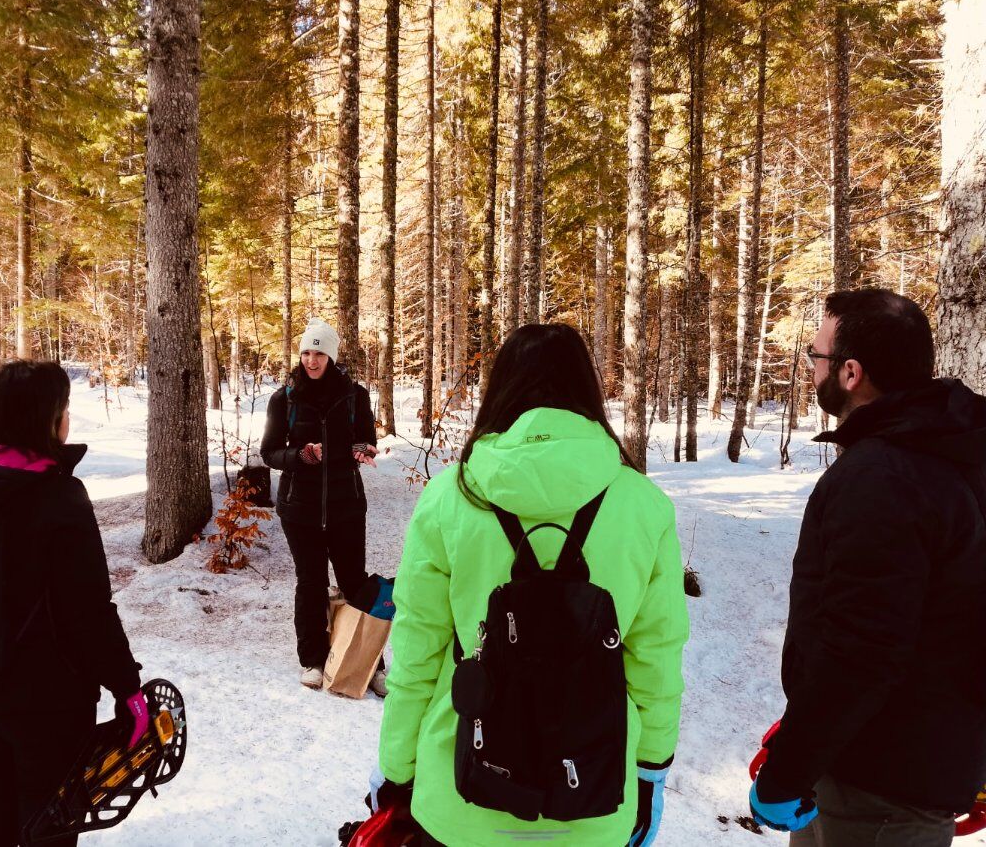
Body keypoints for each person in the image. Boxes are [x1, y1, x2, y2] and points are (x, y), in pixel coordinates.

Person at [373, 323, 689, 846]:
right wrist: (651, 769)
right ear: (588, 390)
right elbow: (656, 656)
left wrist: (396, 767)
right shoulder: (643, 505)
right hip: (590, 798)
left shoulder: (451, 498)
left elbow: (417, 649)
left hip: (458, 796)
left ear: (500, 390)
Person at [749, 289, 986, 846]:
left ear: (850, 373)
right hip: (912, 766)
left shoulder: (884, 477)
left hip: (875, 786)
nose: (811, 367)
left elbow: (861, 649)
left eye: (816, 356)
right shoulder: (955, 453)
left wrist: (788, 768)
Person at [0, 360, 146, 846]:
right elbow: (89, 610)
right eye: (64, 410)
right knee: (49, 826)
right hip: (48, 702)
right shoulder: (57, 496)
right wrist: (128, 688)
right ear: (47, 420)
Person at [260, 318, 382, 692]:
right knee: (311, 582)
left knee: (354, 583)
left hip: (346, 505)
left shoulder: (354, 396)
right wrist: (300, 454)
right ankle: (313, 659)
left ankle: (371, 663)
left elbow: (365, 439)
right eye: (306, 352)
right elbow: (269, 452)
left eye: (319, 353)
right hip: (300, 509)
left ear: (331, 356)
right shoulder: (285, 398)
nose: (311, 360)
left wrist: (363, 451)